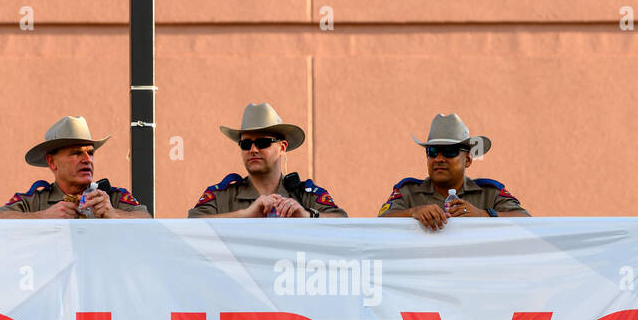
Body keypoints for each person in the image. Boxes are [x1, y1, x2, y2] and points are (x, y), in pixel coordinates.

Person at [187, 103, 346, 218]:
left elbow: (343, 223)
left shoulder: (306, 195)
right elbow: (190, 226)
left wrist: (306, 216)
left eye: (263, 143)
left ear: (282, 147)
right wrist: (245, 215)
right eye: (246, 144)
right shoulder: (221, 196)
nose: (253, 150)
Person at [378, 113, 529, 230]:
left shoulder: (490, 192)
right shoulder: (408, 191)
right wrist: (412, 212)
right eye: (432, 151)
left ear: (468, 160)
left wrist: (483, 215)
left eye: (449, 151)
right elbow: (379, 222)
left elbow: (527, 220)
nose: (438, 159)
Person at [0, 116, 148, 219]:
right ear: (52, 162)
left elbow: (147, 220)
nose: (87, 159)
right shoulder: (35, 201)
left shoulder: (111, 198)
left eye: (90, 153)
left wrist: (114, 214)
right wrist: (43, 217)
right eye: (76, 153)